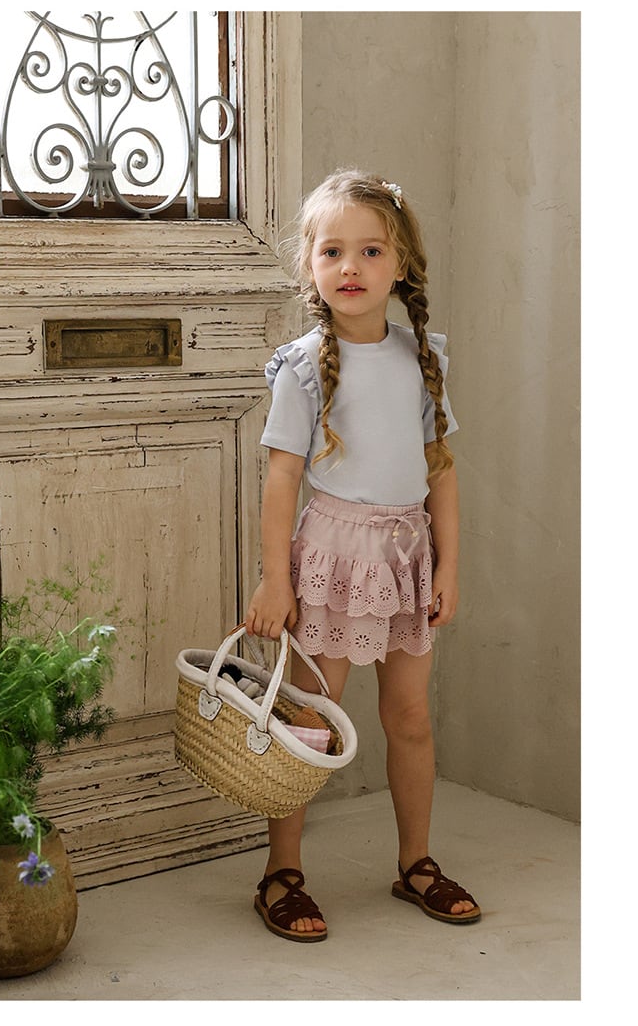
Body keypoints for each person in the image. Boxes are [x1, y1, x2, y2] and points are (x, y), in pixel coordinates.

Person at [245, 168, 480, 942]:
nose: (351, 266)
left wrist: (449, 564)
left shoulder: (421, 358)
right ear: (310, 264)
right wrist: (274, 579)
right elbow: (283, 479)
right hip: (333, 557)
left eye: (371, 250)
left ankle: (416, 861)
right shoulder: (302, 366)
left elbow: (439, 469)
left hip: (408, 555)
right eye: (332, 251)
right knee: (310, 720)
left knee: (409, 715)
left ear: (400, 264)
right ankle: (281, 871)